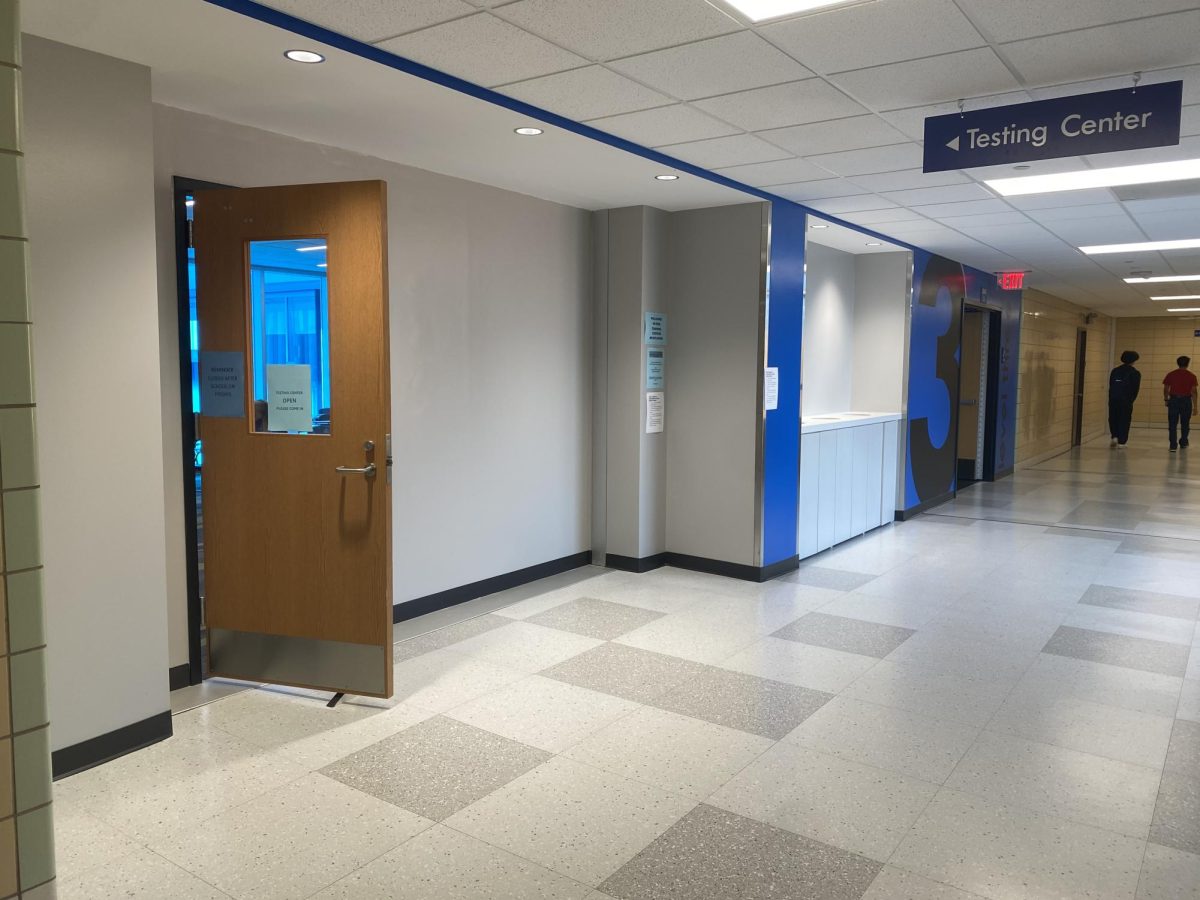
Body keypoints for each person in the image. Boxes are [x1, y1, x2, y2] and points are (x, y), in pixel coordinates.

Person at [1163, 356, 1199, 452]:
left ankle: (1173, 445)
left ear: (1177, 363)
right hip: (1186, 401)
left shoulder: (1171, 374)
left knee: (1172, 424)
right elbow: (1194, 392)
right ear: (1187, 364)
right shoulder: (1192, 376)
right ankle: (1183, 442)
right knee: (1185, 423)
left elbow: (1166, 389)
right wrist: (1195, 407)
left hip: (1174, 400)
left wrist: (1166, 400)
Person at [1108, 350, 1140, 447]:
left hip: (1113, 399)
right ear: (1133, 360)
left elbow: (1111, 385)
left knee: (1113, 417)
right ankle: (1122, 441)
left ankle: (1114, 436)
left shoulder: (1115, 371)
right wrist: (1131, 400)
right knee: (1124, 419)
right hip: (1126, 400)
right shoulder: (1135, 373)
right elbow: (1135, 389)